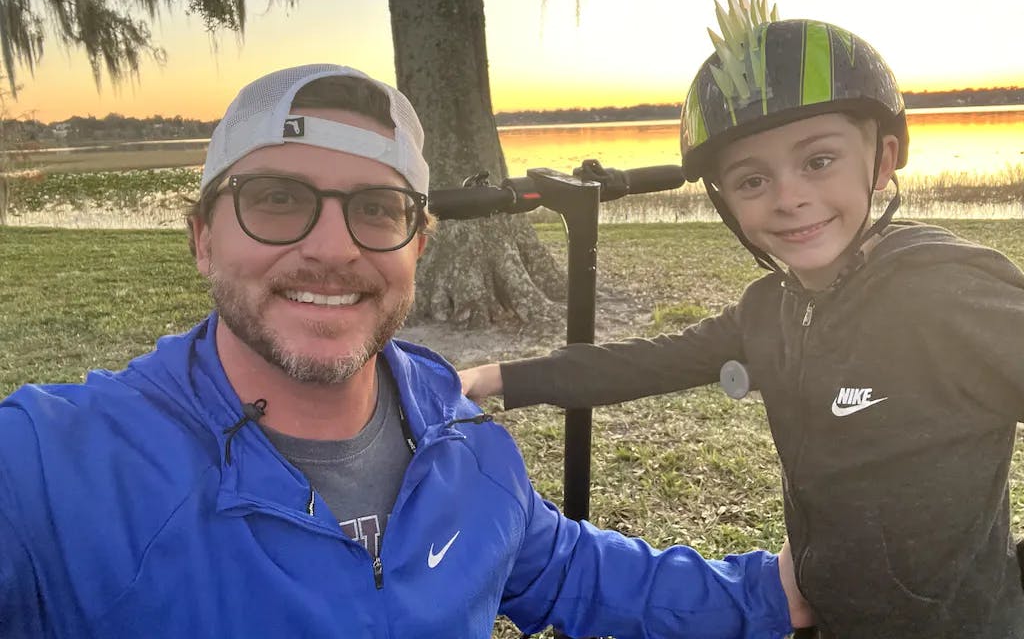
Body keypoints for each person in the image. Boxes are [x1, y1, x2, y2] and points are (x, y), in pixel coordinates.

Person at [0, 63, 811, 638]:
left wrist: (772, 592)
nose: (332, 248)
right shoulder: (53, 469)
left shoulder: (459, 437)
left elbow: (568, 568)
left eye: (377, 209)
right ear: (203, 239)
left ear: (418, 245)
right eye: (277, 199)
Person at [460, 0, 1024, 638]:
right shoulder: (771, 309)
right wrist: (497, 377)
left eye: (819, 161)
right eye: (753, 180)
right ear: (724, 198)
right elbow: (651, 362)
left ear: (883, 160)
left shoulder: (946, 295)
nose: (789, 197)